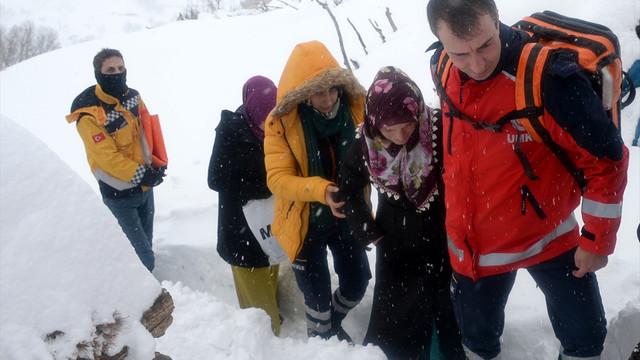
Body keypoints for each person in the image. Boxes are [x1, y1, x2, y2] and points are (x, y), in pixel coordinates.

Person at [426, 1, 629, 359]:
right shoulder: (441, 66)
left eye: (485, 44)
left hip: (548, 236)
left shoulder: (548, 79)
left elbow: (607, 161)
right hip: (473, 248)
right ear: (441, 43)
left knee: (586, 338)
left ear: (496, 19)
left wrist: (597, 240)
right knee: (476, 340)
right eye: (461, 52)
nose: (476, 64)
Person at [337, 66, 465, 359]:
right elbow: (348, 187)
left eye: (407, 126)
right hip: (395, 241)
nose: (399, 136)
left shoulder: (438, 129)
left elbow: (466, 176)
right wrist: (368, 231)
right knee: (398, 318)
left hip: (442, 233)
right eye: (388, 129)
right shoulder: (365, 144)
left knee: (446, 307)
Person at [264, 40, 371, 342]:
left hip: (347, 215)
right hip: (304, 222)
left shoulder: (356, 111)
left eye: (333, 89)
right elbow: (278, 179)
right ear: (302, 92)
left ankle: (331, 325)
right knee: (316, 296)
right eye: (318, 92)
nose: (328, 99)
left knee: (357, 282)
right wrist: (320, 190)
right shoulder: (283, 124)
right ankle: (322, 339)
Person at [66, 48, 166, 272]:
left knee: (145, 246)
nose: (117, 73)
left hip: (145, 190)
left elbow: (149, 131)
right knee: (142, 258)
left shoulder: (134, 97)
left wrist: (159, 162)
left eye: (121, 68)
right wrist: (143, 174)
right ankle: (142, 302)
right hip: (119, 196)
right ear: (98, 74)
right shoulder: (89, 115)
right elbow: (107, 158)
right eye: (110, 69)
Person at [207, 75, 282, 335]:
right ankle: (267, 345)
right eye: (266, 118)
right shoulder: (230, 133)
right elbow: (216, 179)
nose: (271, 124)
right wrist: (269, 184)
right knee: (260, 316)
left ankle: (277, 326)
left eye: (276, 117)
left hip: (270, 226)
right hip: (241, 235)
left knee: (272, 278)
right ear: (252, 112)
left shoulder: (278, 130)